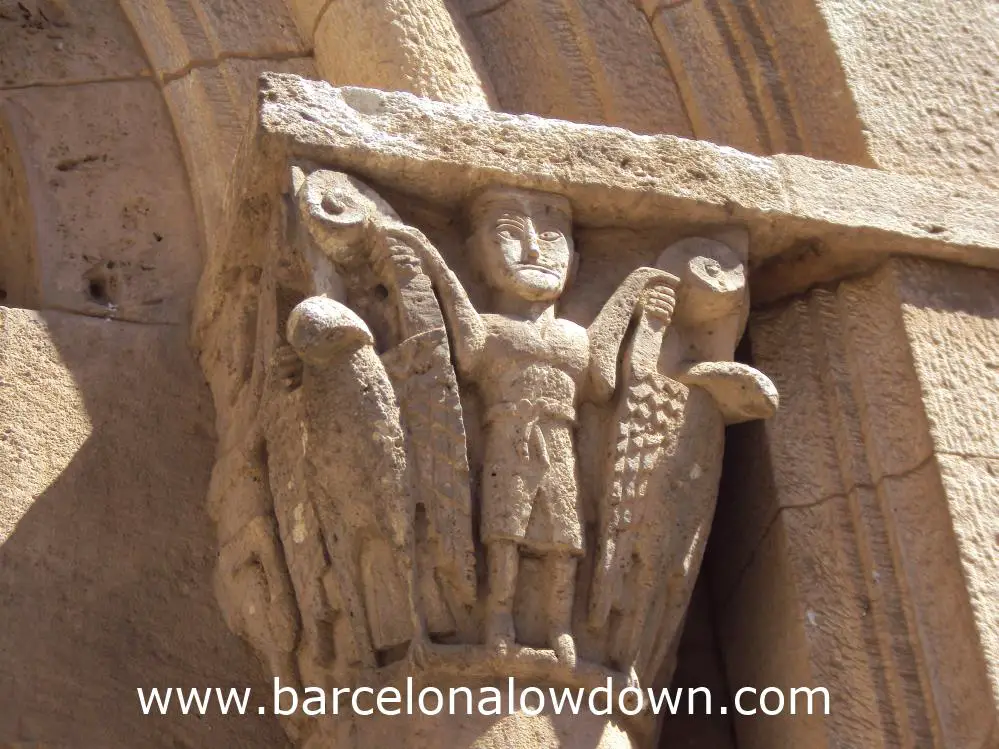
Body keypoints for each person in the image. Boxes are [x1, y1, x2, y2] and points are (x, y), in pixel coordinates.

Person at [380, 186, 675, 666]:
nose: (536, 249)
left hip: (559, 440)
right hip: (508, 439)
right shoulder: (494, 329)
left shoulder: (573, 337)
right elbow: (464, 335)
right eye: (509, 233)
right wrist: (433, 263)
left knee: (564, 542)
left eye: (554, 236)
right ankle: (499, 619)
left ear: (576, 264)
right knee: (505, 535)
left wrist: (639, 298)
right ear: (477, 253)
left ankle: (559, 627)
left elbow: (603, 380)